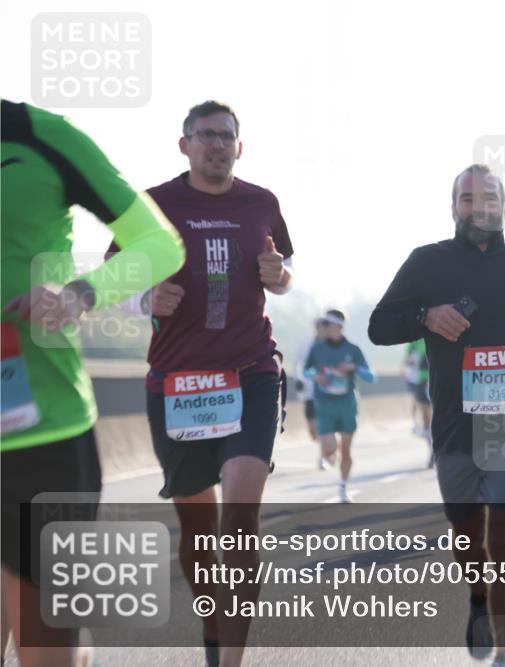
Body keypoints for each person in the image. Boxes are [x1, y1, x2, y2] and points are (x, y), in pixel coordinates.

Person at [106, 101, 294, 667]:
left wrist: (280, 276)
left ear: (240, 147)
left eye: (227, 136)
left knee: (239, 517)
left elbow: (282, 271)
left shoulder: (262, 202)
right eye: (205, 135)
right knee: (199, 531)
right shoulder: (154, 205)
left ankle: (231, 659)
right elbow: (113, 277)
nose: (217, 144)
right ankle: (213, 631)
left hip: (252, 372)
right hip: (178, 384)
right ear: (184, 144)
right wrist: (145, 298)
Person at [1, 99, 185, 667]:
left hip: (41, 432)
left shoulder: (37, 135)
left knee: (44, 651)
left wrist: (79, 294)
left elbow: (159, 244)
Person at [368, 164, 505, 667]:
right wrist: (426, 318)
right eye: (466, 197)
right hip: (456, 417)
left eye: (488, 197)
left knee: (503, 531)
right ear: (453, 207)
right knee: (467, 535)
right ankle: (477, 594)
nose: (477, 205)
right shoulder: (427, 262)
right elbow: (378, 326)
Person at [303, 310, 376, 502]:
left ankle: (343, 487)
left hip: (347, 404)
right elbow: (305, 370)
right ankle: (329, 455)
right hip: (324, 403)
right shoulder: (316, 348)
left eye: (327, 324)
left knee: (346, 450)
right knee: (328, 449)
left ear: (338, 326)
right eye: (322, 324)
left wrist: (354, 368)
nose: (323, 327)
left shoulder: (353, 349)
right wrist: (315, 376)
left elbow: (371, 376)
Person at [403, 336, 434, 466]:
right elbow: (408, 360)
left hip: (439, 380)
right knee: (427, 420)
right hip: (421, 381)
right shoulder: (414, 340)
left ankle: (438, 449)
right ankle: (432, 451)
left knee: (438, 417)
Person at [295, 318, 325, 444]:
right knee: (312, 426)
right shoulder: (306, 344)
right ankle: (320, 441)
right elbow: (296, 363)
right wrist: (298, 379)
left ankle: (325, 448)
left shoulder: (331, 346)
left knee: (326, 422)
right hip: (309, 389)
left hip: (327, 389)